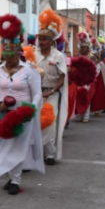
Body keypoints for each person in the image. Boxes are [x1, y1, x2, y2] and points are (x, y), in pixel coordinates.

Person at [0, 14, 45, 195]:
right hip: (2, 112)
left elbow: (37, 93)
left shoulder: (29, 71)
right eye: (6, 56)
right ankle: (11, 175)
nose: (9, 59)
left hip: (22, 114)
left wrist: (31, 108)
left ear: (18, 53)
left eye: (12, 56)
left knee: (18, 146)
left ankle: (16, 180)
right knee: (0, 144)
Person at [35, 10, 68, 166]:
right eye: (39, 39)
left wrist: (52, 91)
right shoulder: (33, 55)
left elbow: (62, 77)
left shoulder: (58, 56)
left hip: (52, 92)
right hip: (35, 93)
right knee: (35, 122)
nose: (40, 42)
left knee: (50, 122)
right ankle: (35, 153)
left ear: (51, 41)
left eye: (44, 39)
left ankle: (50, 154)